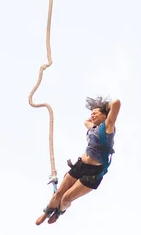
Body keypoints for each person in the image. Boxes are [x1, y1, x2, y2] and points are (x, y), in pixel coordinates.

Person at [36, 96, 121, 225]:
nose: (92, 116)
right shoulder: (92, 127)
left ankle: (59, 211)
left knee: (65, 198)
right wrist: (95, 113)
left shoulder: (108, 127)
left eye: (95, 113)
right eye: (91, 113)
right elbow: (86, 121)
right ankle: (47, 211)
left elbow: (116, 103)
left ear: (105, 116)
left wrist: (106, 109)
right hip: (81, 165)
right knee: (58, 194)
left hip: (93, 173)